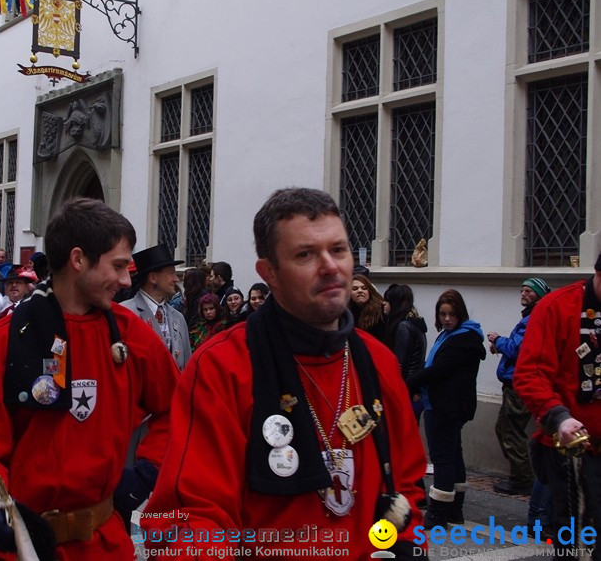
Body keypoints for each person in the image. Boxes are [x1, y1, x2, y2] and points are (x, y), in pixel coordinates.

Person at [142, 188, 425, 559]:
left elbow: (408, 488)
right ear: (269, 272)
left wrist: (404, 547)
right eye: (306, 254)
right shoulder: (222, 366)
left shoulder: (378, 362)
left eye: (338, 250)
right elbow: (187, 519)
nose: (330, 266)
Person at [0, 198, 179, 560]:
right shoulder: (4, 340)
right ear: (78, 259)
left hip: (106, 545)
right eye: (117, 266)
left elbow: (178, 408)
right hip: (25, 549)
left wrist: (147, 471)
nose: (126, 279)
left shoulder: (132, 335)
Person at [514, 252, 601, 560]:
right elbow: (529, 374)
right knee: (577, 543)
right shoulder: (556, 307)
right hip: (573, 449)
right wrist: (559, 417)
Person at [406, 289, 485, 529]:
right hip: (444, 404)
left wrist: (410, 383)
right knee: (453, 454)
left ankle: (439, 513)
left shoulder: (462, 339)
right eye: (443, 314)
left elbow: (438, 370)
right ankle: (453, 510)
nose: (447, 319)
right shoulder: (453, 336)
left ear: (460, 314)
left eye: (452, 314)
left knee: (443, 458)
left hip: (446, 407)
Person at [487, 277, 550, 496]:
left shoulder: (534, 318)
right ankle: (520, 475)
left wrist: (498, 340)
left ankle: (522, 479)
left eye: (528, 291)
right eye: (522, 290)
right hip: (513, 382)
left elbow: (519, 349)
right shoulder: (530, 317)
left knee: (511, 431)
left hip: (519, 385)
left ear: (539, 296)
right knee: (504, 428)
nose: (523, 294)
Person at [120, 244, 191, 370]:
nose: (176, 279)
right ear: (153, 277)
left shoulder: (178, 318)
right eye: (171, 273)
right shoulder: (125, 313)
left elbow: (187, 367)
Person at [350, 273, 386, 342]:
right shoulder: (346, 312)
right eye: (355, 289)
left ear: (369, 291)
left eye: (364, 288)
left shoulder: (381, 311)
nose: (360, 291)